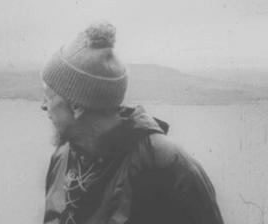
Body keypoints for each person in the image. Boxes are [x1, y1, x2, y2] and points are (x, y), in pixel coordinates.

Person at [40, 22, 224, 224]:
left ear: (77, 106)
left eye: (49, 97)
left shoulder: (168, 167)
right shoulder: (62, 157)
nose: (43, 105)